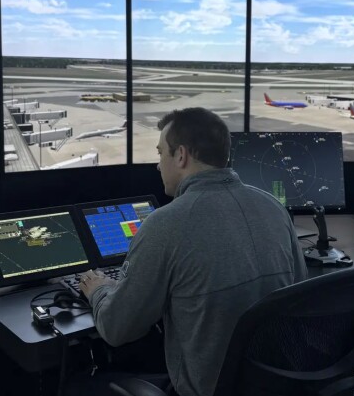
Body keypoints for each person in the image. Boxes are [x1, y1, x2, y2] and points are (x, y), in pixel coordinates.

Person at [79, 107, 308, 396]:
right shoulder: (273, 207)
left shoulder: (164, 224)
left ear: (181, 155)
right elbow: (300, 296)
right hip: (276, 384)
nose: (158, 165)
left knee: (85, 383)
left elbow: (116, 329)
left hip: (207, 389)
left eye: (161, 153)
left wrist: (99, 289)